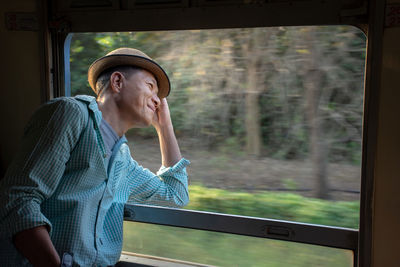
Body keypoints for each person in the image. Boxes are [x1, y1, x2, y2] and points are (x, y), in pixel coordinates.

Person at [0, 48, 190, 266]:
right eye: (150, 87)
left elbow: (176, 194)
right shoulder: (70, 115)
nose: (158, 101)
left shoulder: (122, 160)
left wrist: (165, 126)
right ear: (117, 82)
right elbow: (18, 200)